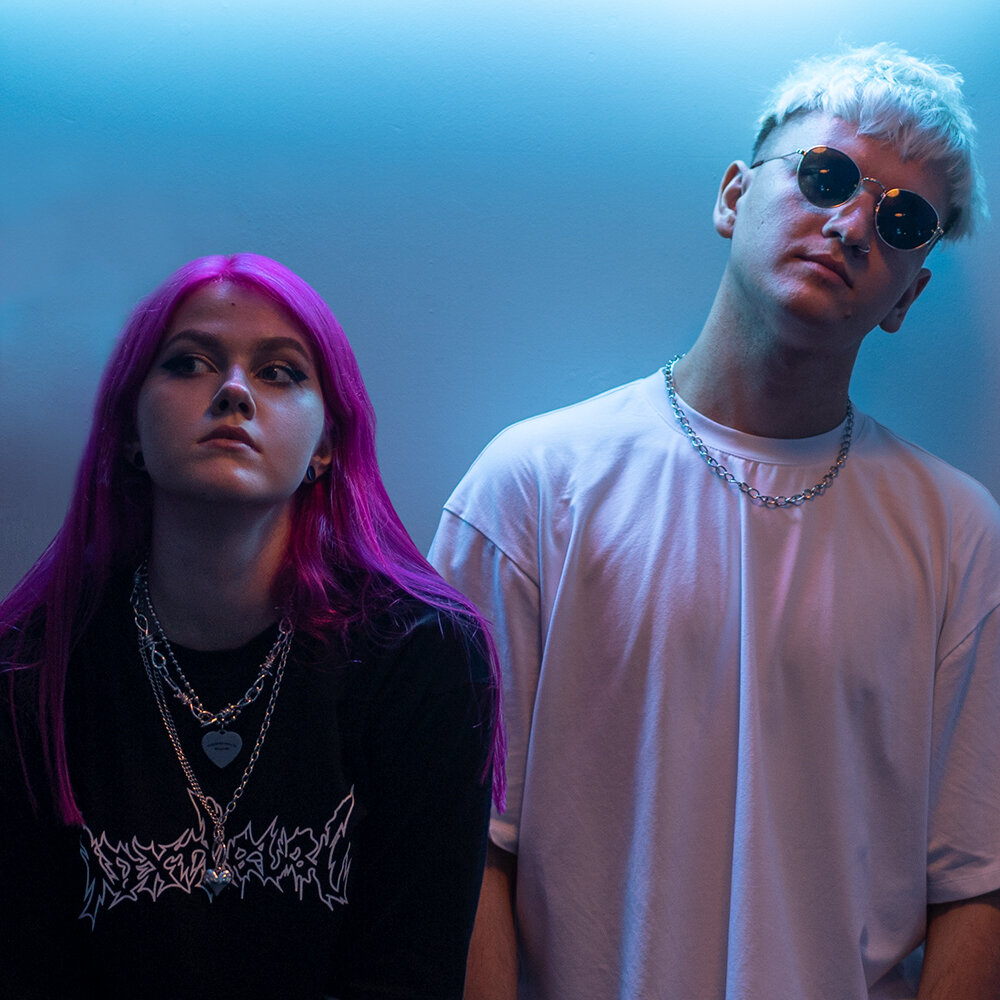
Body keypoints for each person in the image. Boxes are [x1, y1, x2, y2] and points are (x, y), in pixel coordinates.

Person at [429, 44, 1000, 1000]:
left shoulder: (960, 537)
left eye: (902, 221)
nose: (852, 224)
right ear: (735, 195)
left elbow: (976, 884)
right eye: (826, 175)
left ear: (909, 295)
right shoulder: (530, 488)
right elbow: (462, 842)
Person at [0, 253, 505, 999]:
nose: (234, 391)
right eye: (189, 362)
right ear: (130, 427)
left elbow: (409, 969)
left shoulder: (423, 656)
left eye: (279, 372)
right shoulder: (31, 670)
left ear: (326, 445)